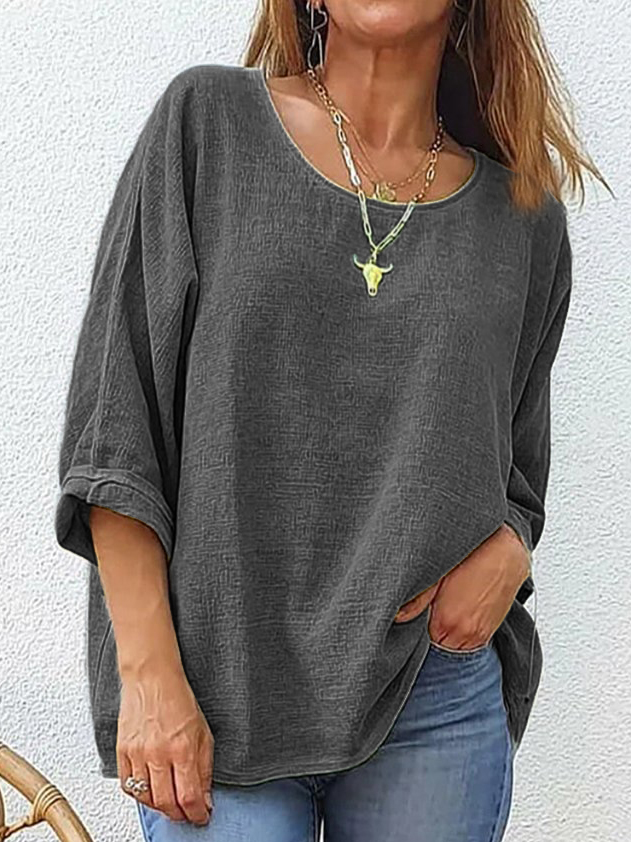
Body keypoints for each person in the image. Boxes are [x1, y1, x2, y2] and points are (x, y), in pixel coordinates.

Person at [55, 1, 607, 840]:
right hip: (217, 686)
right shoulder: (207, 126)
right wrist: (150, 676)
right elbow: (116, 428)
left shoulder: (521, 217)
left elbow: (515, 463)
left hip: (430, 694)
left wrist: (511, 543)